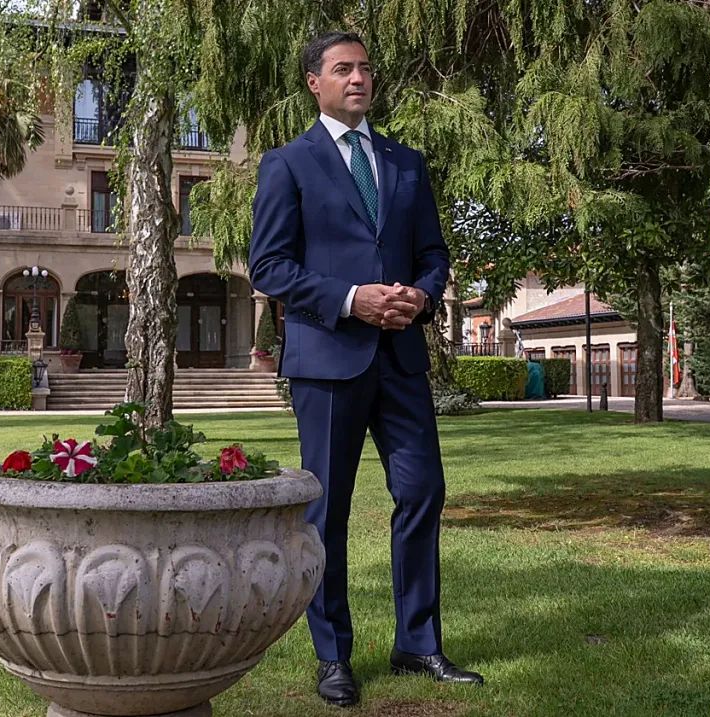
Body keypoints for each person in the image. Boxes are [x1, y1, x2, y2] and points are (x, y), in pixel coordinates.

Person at [249, 30, 484, 708]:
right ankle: (333, 656)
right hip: (328, 359)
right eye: (343, 69)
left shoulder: (406, 163)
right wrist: (353, 298)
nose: (358, 78)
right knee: (328, 510)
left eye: (365, 68)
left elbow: (433, 254)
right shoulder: (287, 164)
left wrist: (423, 295)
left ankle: (418, 642)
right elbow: (269, 266)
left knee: (423, 491)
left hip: (402, 358)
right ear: (314, 83)